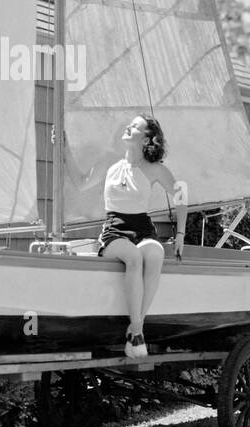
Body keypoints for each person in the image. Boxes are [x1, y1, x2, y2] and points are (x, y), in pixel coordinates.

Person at [66, 115, 188, 358]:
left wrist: (181, 234)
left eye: (135, 127)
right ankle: (137, 331)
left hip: (142, 228)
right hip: (114, 230)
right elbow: (81, 183)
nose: (128, 128)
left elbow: (181, 193)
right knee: (133, 257)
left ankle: (135, 329)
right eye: (130, 125)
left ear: (146, 140)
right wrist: (65, 148)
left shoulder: (155, 169)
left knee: (155, 252)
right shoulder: (109, 164)